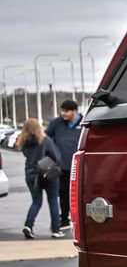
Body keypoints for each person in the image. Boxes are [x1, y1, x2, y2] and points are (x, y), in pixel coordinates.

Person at [16, 118, 64, 239]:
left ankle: (28, 225)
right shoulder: (45, 140)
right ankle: (56, 229)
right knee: (53, 201)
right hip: (47, 173)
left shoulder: (23, 142)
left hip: (30, 174)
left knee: (36, 202)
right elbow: (56, 157)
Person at [45, 99, 83, 230]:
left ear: (74, 111)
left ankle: (79, 218)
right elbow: (45, 139)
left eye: (66, 111)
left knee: (79, 193)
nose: (63, 113)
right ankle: (64, 218)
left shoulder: (83, 123)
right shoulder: (56, 123)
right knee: (62, 193)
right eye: (62, 111)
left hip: (79, 166)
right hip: (60, 167)